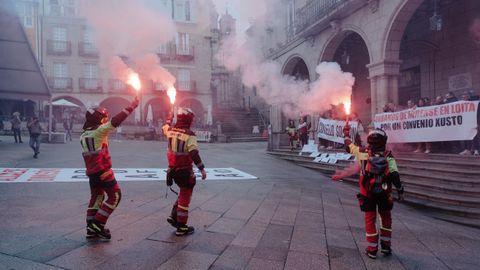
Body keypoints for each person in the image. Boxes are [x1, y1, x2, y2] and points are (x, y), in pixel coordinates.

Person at [332, 126, 404, 259]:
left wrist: (346, 134)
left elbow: (348, 146)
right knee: (386, 218)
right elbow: (395, 175)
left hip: (367, 193)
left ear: (369, 140)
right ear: (384, 141)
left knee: (370, 219)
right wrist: (400, 191)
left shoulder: (362, 152)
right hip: (385, 193)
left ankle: (372, 249)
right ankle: (386, 247)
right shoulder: (388, 156)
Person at [80, 97, 139, 240]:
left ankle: (90, 228)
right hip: (104, 171)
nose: (106, 120)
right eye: (103, 118)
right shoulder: (99, 132)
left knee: (96, 198)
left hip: (92, 173)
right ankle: (98, 224)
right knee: (115, 196)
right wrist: (131, 107)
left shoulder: (83, 135)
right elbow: (115, 122)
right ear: (98, 120)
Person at [163, 107, 207, 236]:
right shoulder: (189, 135)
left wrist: (169, 116)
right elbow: (193, 152)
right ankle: (182, 227)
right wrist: (202, 169)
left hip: (172, 170)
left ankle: (174, 216)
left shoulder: (170, 130)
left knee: (182, 192)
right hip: (185, 171)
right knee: (185, 197)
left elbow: (165, 126)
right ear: (188, 120)